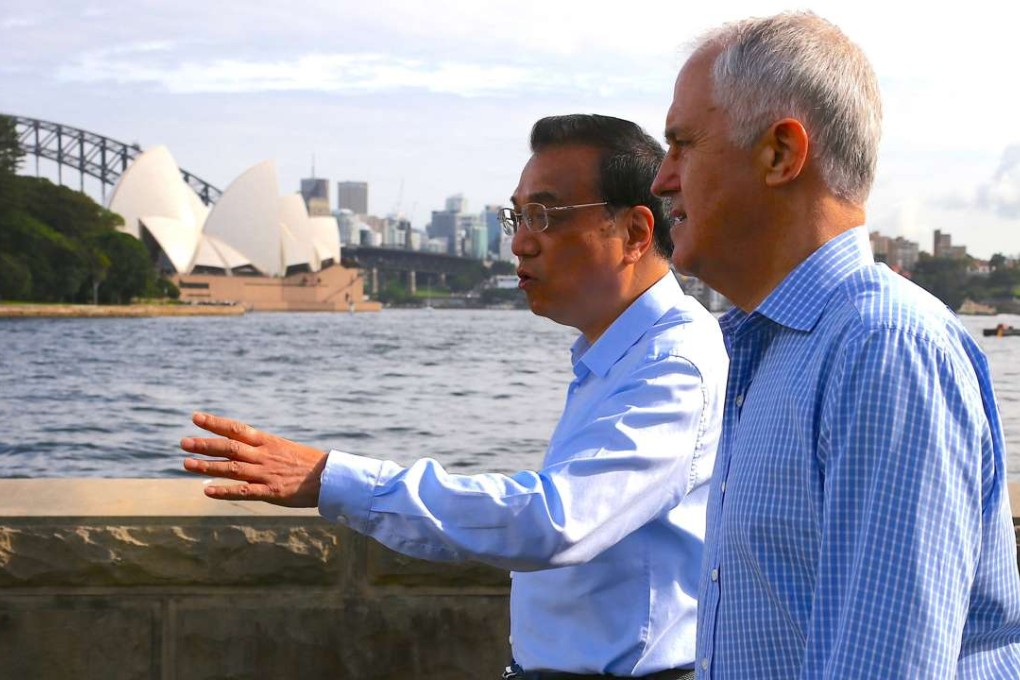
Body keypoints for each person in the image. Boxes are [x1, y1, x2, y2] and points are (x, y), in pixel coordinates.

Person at [182, 114, 728, 679]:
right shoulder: (619, 354)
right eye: (516, 216)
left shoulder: (672, 363)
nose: (519, 242)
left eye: (543, 215)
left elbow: (554, 521)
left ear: (636, 233)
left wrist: (331, 478)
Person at [650, 11, 1020, 679]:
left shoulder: (882, 350)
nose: (661, 179)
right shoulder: (777, 349)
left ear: (781, 154)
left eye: (682, 144)